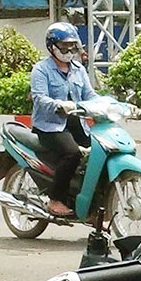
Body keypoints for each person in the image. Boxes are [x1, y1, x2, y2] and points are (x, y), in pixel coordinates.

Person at [30, 22, 98, 217]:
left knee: (100, 153)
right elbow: (39, 98)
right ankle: (56, 199)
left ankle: (93, 206)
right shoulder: (41, 69)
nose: (68, 50)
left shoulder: (78, 70)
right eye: (64, 46)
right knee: (72, 154)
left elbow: (89, 94)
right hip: (50, 126)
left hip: (77, 123)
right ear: (52, 46)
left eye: (72, 46)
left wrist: (107, 104)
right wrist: (59, 104)